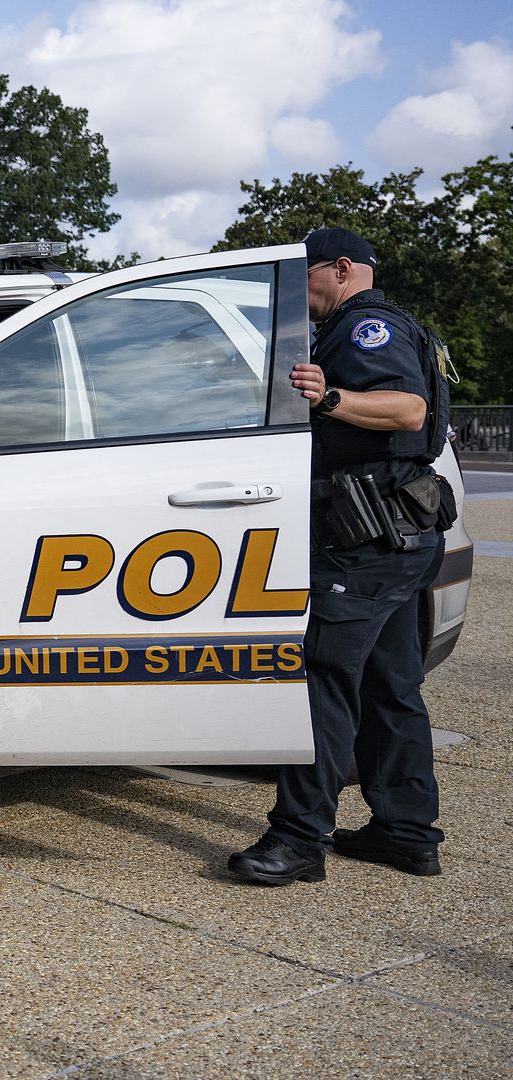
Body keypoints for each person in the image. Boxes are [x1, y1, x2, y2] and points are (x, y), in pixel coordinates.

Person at [229, 227, 450, 886]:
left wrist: (329, 398)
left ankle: (298, 838)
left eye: (306, 277)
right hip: (399, 537)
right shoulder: (384, 325)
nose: (301, 293)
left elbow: (408, 409)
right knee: (391, 689)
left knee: (322, 685)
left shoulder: (366, 328)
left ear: (342, 269)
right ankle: (406, 831)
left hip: (364, 543)